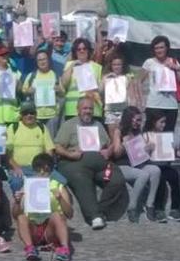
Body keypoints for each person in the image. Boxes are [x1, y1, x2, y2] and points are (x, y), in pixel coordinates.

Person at [54, 97, 127, 229]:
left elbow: (109, 144)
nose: (88, 111)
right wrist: (70, 154)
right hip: (74, 163)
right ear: (78, 110)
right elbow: (57, 146)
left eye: (91, 109)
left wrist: (108, 151)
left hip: (99, 163)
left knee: (117, 178)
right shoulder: (69, 125)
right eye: (85, 108)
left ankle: (101, 210)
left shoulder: (98, 125)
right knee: (81, 179)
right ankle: (94, 216)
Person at [12, 153, 73, 261]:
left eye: (45, 171)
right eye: (39, 170)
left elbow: (70, 214)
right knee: (21, 217)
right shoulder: (27, 185)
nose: (42, 174)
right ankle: (30, 248)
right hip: (33, 228)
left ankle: (65, 248)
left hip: (50, 229)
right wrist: (17, 202)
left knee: (57, 215)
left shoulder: (57, 185)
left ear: (50, 171)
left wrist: (60, 199)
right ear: (35, 170)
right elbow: (15, 214)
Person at [110, 106, 159, 224]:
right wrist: (124, 143)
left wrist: (147, 148)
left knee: (155, 170)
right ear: (129, 119)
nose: (138, 123)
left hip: (136, 163)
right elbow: (116, 154)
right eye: (136, 120)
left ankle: (149, 204)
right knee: (143, 175)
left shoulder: (138, 131)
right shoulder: (119, 131)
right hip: (122, 165)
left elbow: (139, 151)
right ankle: (132, 208)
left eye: (139, 120)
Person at [143, 112, 180, 224]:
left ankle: (175, 208)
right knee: (160, 179)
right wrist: (146, 149)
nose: (163, 125)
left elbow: (171, 152)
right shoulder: (146, 135)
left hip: (165, 165)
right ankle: (158, 209)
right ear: (154, 122)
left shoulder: (166, 136)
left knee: (175, 176)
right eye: (161, 122)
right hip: (152, 165)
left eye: (164, 122)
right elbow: (140, 154)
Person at [5, 102, 55, 192]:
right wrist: (16, 167)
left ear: (36, 114)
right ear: (21, 115)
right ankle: (19, 204)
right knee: (16, 183)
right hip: (19, 168)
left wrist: (46, 167)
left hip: (40, 168)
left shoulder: (42, 127)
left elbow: (49, 150)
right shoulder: (13, 128)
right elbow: (7, 153)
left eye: (32, 113)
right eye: (25, 113)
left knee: (61, 181)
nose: (29, 115)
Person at [140, 35, 180, 132]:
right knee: (149, 133)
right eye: (156, 48)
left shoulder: (174, 61)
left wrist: (176, 68)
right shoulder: (149, 62)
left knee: (168, 135)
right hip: (154, 104)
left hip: (171, 105)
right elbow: (138, 81)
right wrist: (140, 98)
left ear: (167, 48)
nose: (159, 50)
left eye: (161, 47)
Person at [60, 37, 103, 120]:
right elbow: (64, 84)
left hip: (92, 110)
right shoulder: (69, 65)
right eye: (78, 49)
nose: (81, 51)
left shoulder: (96, 67)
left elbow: (100, 90)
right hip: (72, 110)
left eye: (84, 48)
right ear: (75, 52)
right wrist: (73, 65)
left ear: (88, 50)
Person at [101, 53, 141, 139]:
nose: (116, 67)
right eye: (114, 64)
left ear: (122, 65)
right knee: (113, 137)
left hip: (124, 111)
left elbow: (132, 94)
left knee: (125, 135)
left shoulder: (127, 77)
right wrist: (106, 78)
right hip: (110, 111)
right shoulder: (106, 78)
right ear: (111, 66)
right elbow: (100, 92)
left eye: (119, 64)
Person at [21, 50, 62, 127]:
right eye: (39, 60)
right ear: (36, 62)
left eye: (44, 59)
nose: (42, 62)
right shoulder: (32, 76)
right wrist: (28, 91)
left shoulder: (55, 75)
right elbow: (23, 91)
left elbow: (62, 93)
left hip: (52, 115)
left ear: (48, 60)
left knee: (50, 138)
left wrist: (59, 90)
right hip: (36, 116)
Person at [0, 45, 21, 126]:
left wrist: (18, 85)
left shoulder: (15, 71)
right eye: (2, 55)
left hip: (12, 116)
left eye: (6, 54)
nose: (5, 56)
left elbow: (20, 92)